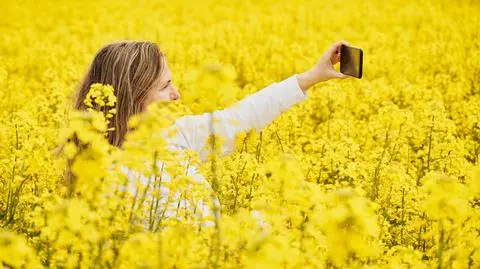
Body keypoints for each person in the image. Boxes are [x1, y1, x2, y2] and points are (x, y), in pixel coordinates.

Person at [73, 40, 351, 229]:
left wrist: (312, 76)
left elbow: (239, 119)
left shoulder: (173, 135)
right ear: (134, 96)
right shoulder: (111, 179)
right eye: (165, 86)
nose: (176, 94)